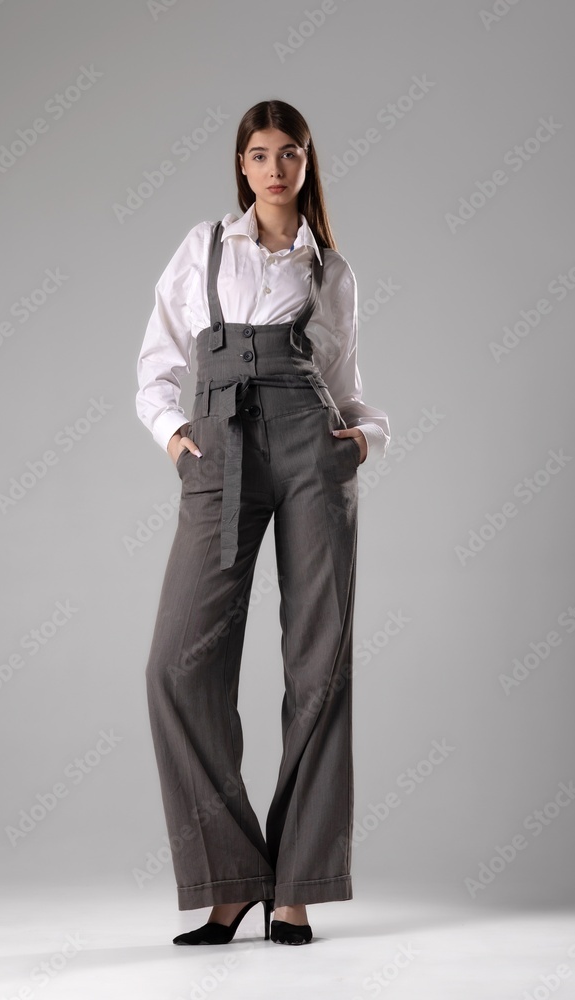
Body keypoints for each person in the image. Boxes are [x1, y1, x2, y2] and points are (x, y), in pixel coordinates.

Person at [136, 99, 390, 946]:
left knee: (319, 664)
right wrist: (175, 438)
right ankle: (231, 879)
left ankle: (296, 890)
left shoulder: (331, 270)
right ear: (240, 166)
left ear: (307, 163)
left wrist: (366, 440)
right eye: (258, 154)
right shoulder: (204, 247)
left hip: (312, 451)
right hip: (220, 449)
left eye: (289, 153)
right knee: (177, 666)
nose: (274, 168)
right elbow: (157, 363)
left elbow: (346, 386)